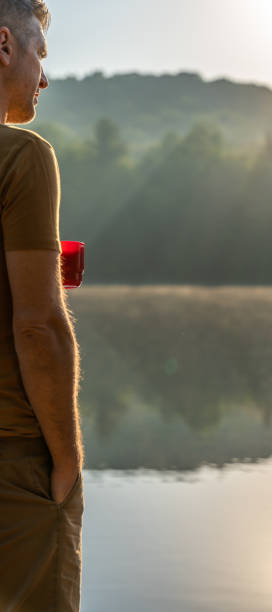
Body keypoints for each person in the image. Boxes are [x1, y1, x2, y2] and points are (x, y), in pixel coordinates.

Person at [0, 1, 84, 611]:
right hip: (12, 461)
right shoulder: (22, 156)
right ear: (4, 45)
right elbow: (38, 327)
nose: (44, 78)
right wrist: (68, 459)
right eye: (40, 55)